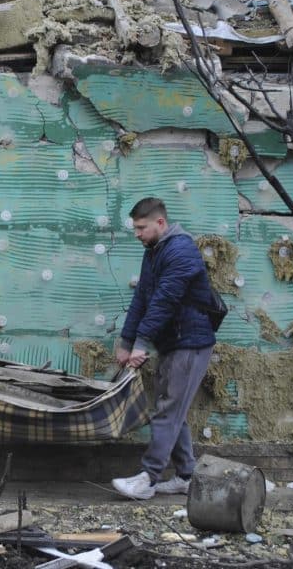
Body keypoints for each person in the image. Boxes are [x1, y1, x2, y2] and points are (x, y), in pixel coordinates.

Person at [111, 197, 216, 500]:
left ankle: (149, 478)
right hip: (174, 342)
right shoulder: (154, 251)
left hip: (191, 344)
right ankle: (185, 476)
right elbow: (142, 299)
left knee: (167, 411)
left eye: (141, 227)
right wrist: (126, 343)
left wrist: (141, 345)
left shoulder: (182, 251)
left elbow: (164, 302)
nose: (137, 233)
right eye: (135, 228)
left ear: (160, 223)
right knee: (174, 411)